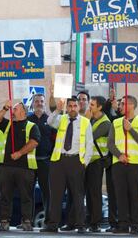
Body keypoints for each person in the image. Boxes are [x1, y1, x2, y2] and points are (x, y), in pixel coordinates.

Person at [41, 97, 93, 234]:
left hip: (76, 161)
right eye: (69, 106)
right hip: (58, 161)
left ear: (78, 107)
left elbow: (90, 145)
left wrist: (84, 163)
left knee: (78, 194)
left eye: (74, 106)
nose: (72, 108)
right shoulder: (62, 118)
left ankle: (80, 224)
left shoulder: (85, 122)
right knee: (56, 195)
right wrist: (58, 108)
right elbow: (49, 121)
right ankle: (53, 224)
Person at [0, 101, 40, 231]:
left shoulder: (32, 126)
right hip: (6, 166)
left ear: (23, 112)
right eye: (12, 109)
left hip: (25, 167)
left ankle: (26, 221)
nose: (12, 111)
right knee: (5, 196)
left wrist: (19, 153)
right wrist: (4, 108)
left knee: (26, 196)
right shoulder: (8, 125)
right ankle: (4, 221)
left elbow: (34, 142)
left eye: (15, 109)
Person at [108, 95, 138, 234]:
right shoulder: (116, 122)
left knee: (135, 194)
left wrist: (131, 129)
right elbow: (110, 143)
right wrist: (119, 155)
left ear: (132, 105)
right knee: (120, 194)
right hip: (118, 163)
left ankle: (135, 225)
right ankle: (123, 224)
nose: (120, 106)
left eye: (124, 103)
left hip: (134, 164)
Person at [84, 96, 111, 232]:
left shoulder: (105, 123)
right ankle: (89, 220)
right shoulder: (93, 119)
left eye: (92, 105)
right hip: (88, 160)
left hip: (97, 161)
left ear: (100, 107)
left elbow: (89, 137)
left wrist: (86, 120)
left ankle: (95, 222)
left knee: (95, 192)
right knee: (88, 192)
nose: (90, 107)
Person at [27, 94, 54, 227]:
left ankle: (48, 221)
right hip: (30, 161)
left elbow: (55, 140)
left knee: (47, 193)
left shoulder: (50, 120)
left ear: (44, 103)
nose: (39, 103)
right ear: (33, 104)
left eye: (42, 101)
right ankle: (28, 221)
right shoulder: (27, 119)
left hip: (45, 161)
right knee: (28, 192)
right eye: (36, 101)